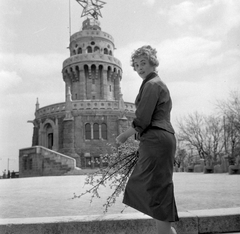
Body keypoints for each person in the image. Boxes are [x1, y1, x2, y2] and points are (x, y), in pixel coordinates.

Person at [116, 45, 179, 234]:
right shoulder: (153, 84)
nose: (139, 68)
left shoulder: (152, 85)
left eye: (143, 63)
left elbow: (143, 118)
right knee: (153, 185)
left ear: (152, 62)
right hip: (157, 139)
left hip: (157, 139)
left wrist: (123, 136)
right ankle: (167, 232)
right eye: (136, 65)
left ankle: (165, 232)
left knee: (156, 187)